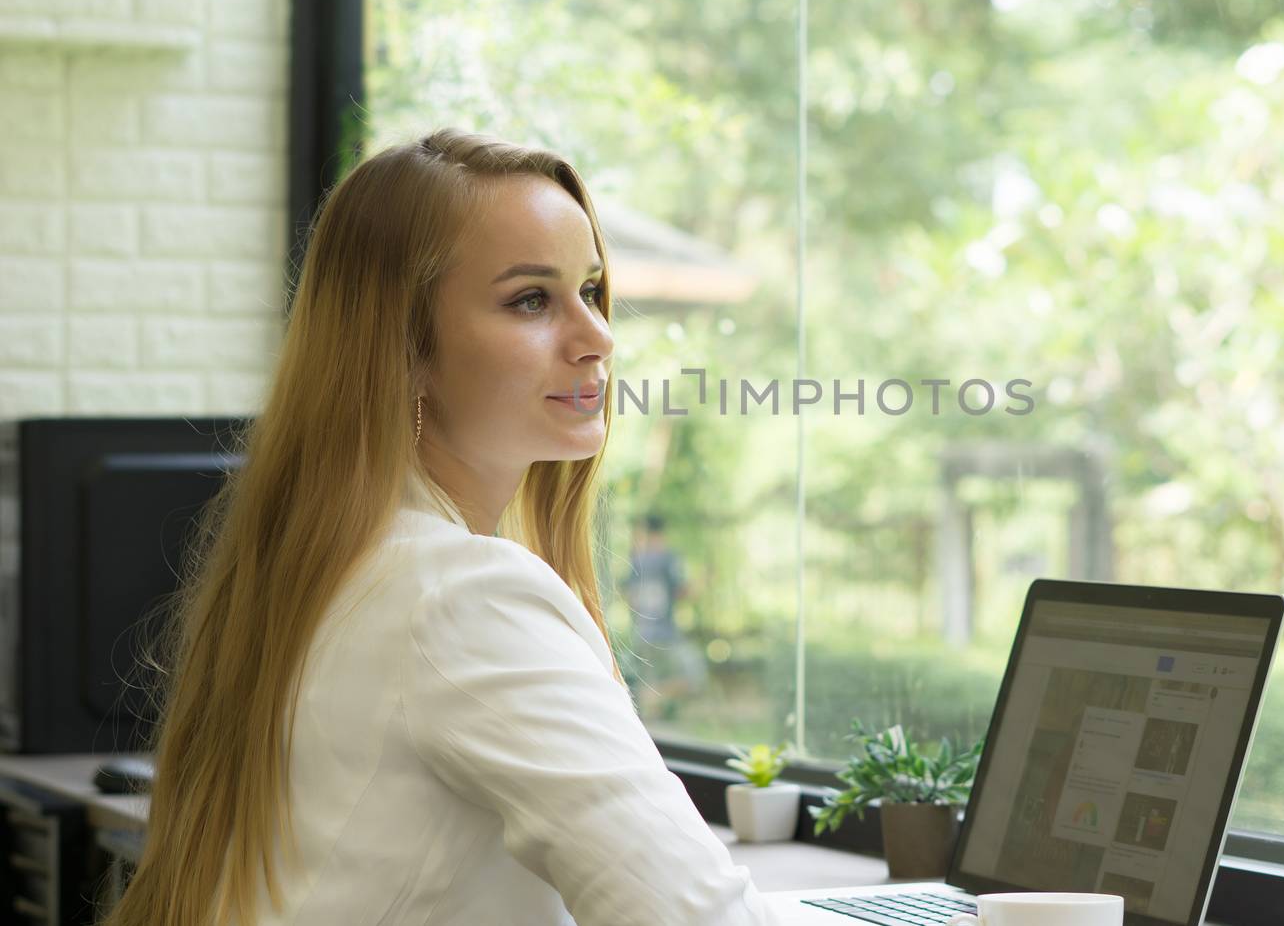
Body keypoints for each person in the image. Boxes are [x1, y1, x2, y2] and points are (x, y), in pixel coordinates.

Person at [104, 129, 778, 926]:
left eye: (591, 290)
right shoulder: (460, 595)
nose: (597, 334)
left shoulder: (329, 568)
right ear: (405, 349)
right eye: (532, 299)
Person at [621, 513, 709, 718]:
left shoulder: (637, 559)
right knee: (694, 677)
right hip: (666, 635)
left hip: (642, 635)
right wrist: (703, 580)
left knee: (650, 680)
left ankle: (651, 701)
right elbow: (683, 592)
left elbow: (629, 596)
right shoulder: (668, 558)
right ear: (662, 532)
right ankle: (652, 697)